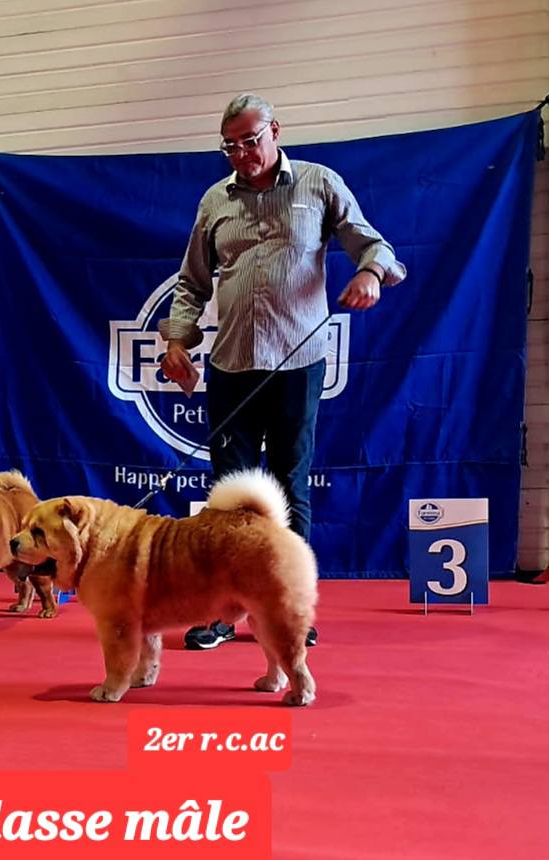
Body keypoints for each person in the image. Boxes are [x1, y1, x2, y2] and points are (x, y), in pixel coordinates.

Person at [160, 94, 407, 650]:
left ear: (275, 130)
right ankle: (222, 610)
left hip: (297, 364)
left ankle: (288, 610)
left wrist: (370, 272)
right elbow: (192, 283)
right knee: (230, 497)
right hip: (231, 365)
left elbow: (375, 245)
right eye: (231, 146)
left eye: (251, 140)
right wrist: (177, 340)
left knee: (291, 487)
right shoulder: (214, 200)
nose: (242, 154)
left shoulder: (318, 184)